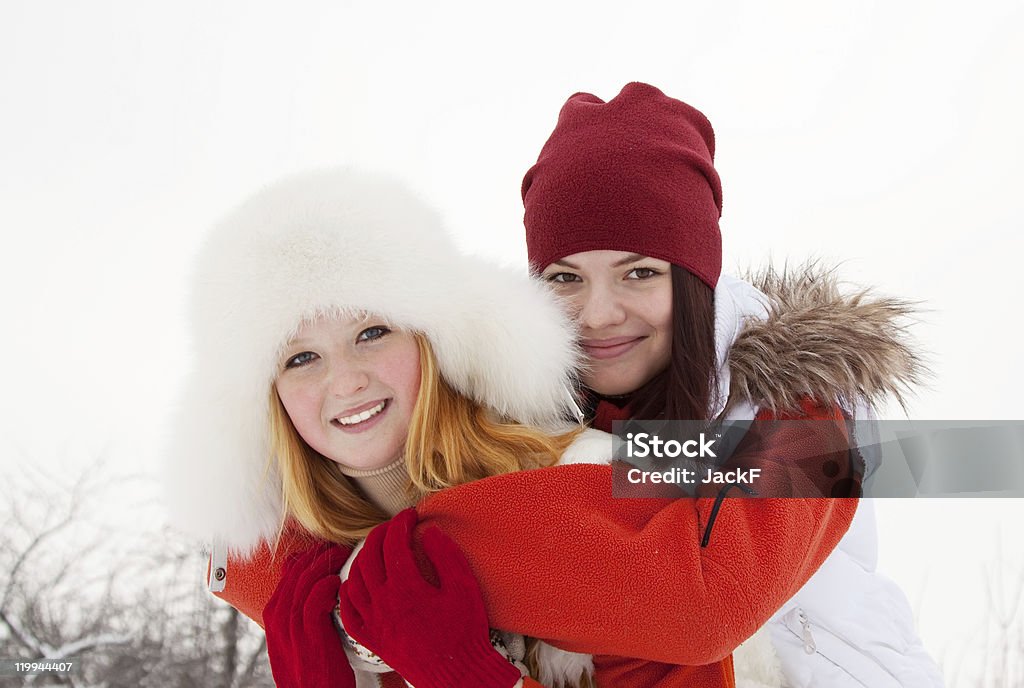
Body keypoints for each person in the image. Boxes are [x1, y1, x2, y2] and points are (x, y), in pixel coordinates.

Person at [168, 162, 862, 688]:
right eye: (300, 357)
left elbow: (863, 463)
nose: (344, 379)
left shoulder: (587, 475)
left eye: (373, 331)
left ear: (437, 340)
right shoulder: (298, 583)